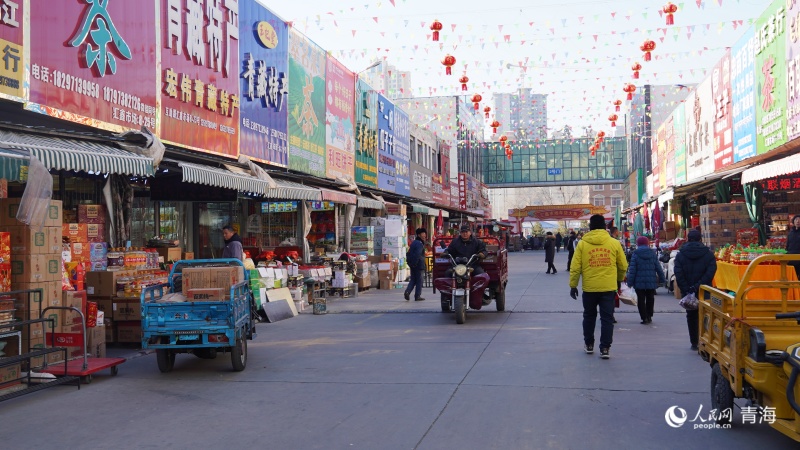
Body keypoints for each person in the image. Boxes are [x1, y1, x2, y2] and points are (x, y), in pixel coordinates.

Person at [569, 215, 628, 359]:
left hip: (589, 289)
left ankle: (589, 344)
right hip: (608, 288)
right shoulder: (614, 243)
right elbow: (623, 265)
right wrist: (619, 280)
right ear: (604, 227)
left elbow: (575, 267)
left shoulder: (582, 244)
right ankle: (605, 348)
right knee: (607, 318)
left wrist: (573, 285)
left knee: (589, 316)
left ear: (590, 227)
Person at [674, 229, 717, 351]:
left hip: (687, 291)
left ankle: (694, 342)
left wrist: (687, 288)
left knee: (691, 315)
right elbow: (711, 272)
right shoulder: (708, 254)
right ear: (700, 239)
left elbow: (678, 272)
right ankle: (704, 341)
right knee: (705, 315)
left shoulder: (681, 254)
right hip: (704, 290)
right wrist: (699, 285)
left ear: (688, 239)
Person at [626, 236, 665, 324]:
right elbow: (658, 267)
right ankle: (649, 315)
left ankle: (644, 318)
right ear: (647, 243)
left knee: (641, 300)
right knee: (650, 298)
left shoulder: (635, 254)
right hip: (651, 280)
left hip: (638, 282)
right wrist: (662, 279)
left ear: (638, 244)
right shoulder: (652, 254)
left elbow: (632, 270)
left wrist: (629, 282)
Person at [404, 228, 428, 302]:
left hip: (413, 264)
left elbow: (409, 253)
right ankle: (417, 296)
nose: (424, 235)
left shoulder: (414, 242)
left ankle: (407, 292)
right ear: (419, 235)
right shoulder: (419, 243)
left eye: (425, 233)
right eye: (423, 234)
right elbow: (417, 254)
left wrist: (411, 263)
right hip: (418, 265)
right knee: (419, 281)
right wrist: (415, 263)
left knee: (413, 280)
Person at [786, 215, 800, 279]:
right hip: (791, 257)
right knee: (791, 276)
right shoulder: (790, 233)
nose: (798, 221)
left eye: (799, 220)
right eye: (796, 220)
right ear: (793, 222)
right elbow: (788, 245)